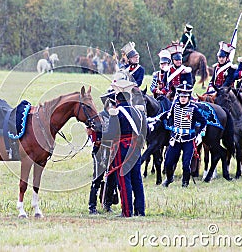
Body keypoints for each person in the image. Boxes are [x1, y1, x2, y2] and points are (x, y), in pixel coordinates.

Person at [102, 80, 147, 217]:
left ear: (117, 99)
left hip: (122, 148)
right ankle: (140, 210)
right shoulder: (138, 112)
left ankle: (127, 212)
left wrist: (100, 132)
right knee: (137, 180)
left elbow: (111, 134)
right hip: (136, 148)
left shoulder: (116, 113)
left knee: (123, 179)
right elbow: (144, 131)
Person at [150, 81, 207, 187]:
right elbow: (166, 115)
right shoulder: (174, 107)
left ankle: (185, 182)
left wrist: (200, 135)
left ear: (188, 97)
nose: (183, 98)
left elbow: (203, 122)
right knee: (168, 162)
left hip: (188, 140)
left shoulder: (193, 109)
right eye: (181, 96)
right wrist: (155, 120)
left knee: (186, 164)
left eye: (185, 96)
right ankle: (169, 178)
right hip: (175, 139)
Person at [88, 98, 118, 215]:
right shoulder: (99, 117)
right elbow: (93, 132)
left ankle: (108, 204)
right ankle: (92, 206)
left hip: (113, 150)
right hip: (100, 151)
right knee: (97, 178)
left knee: (112, 179)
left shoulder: (116, 117)